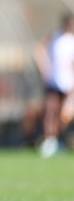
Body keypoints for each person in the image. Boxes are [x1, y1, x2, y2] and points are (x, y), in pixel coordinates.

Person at [35, 14, 74, 158]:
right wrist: (44, 68)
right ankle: (49, 139)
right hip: (53, 81)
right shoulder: (55, 36)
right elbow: (39, 48)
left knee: (62, 114)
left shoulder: (71, 41)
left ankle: (58, 139)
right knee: (50, 110)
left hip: (67, 83)